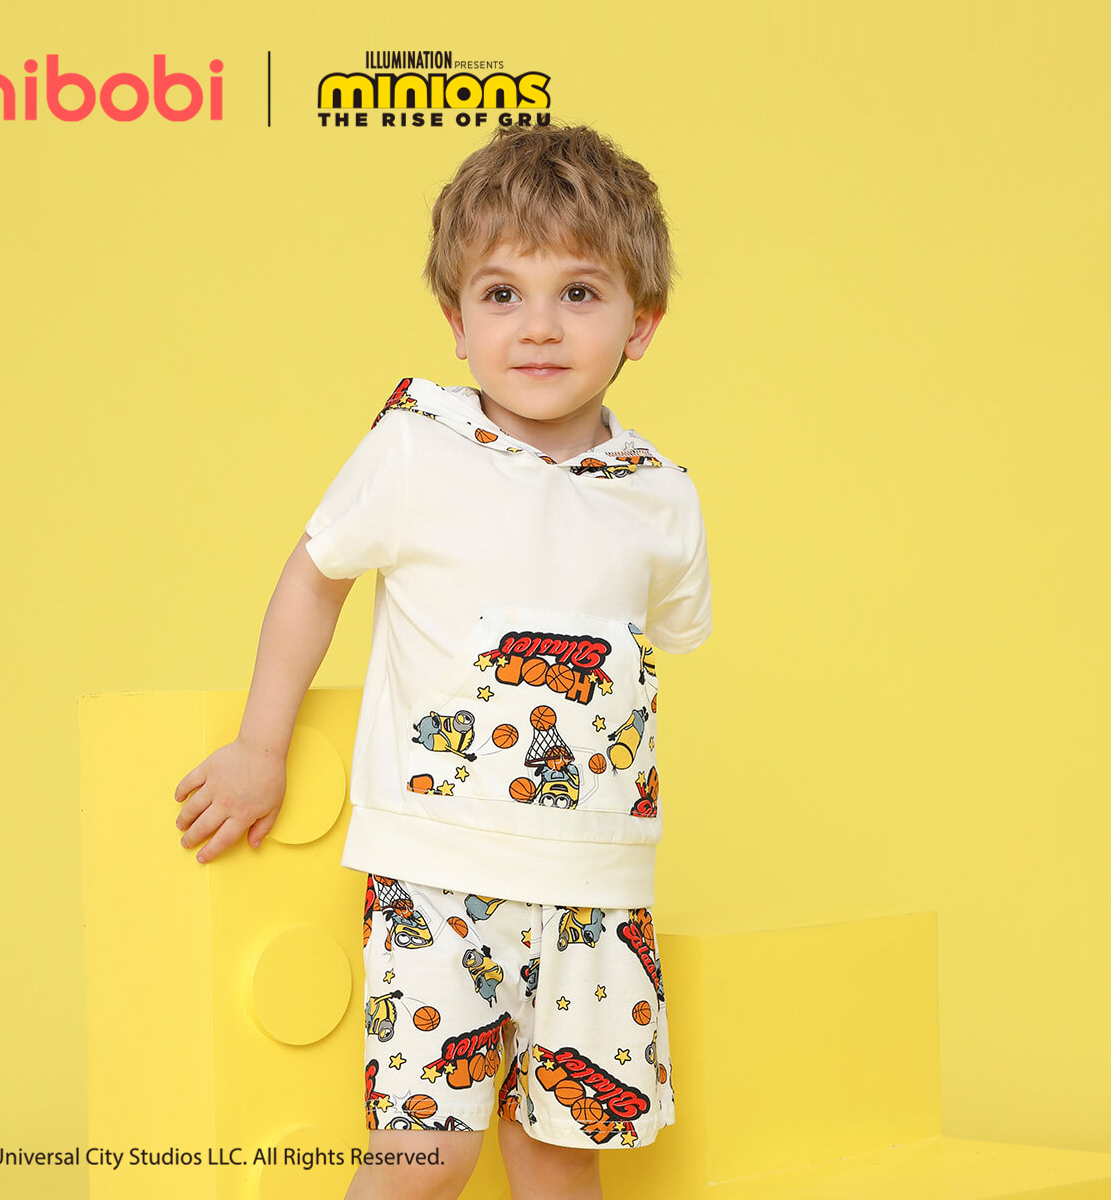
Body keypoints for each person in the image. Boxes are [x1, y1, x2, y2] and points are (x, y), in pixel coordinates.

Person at [174, 121, 712, 1200]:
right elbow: (315, 578)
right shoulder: (417, 449)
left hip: (597, 887)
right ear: (458, 324)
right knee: (425, 1156)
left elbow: (653, 643)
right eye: (503, 294)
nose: (539, 326)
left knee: (559, 1159)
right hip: (437, 874)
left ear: (642, 322)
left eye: (579, 292)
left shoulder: (661, 494)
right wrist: (260, 745)